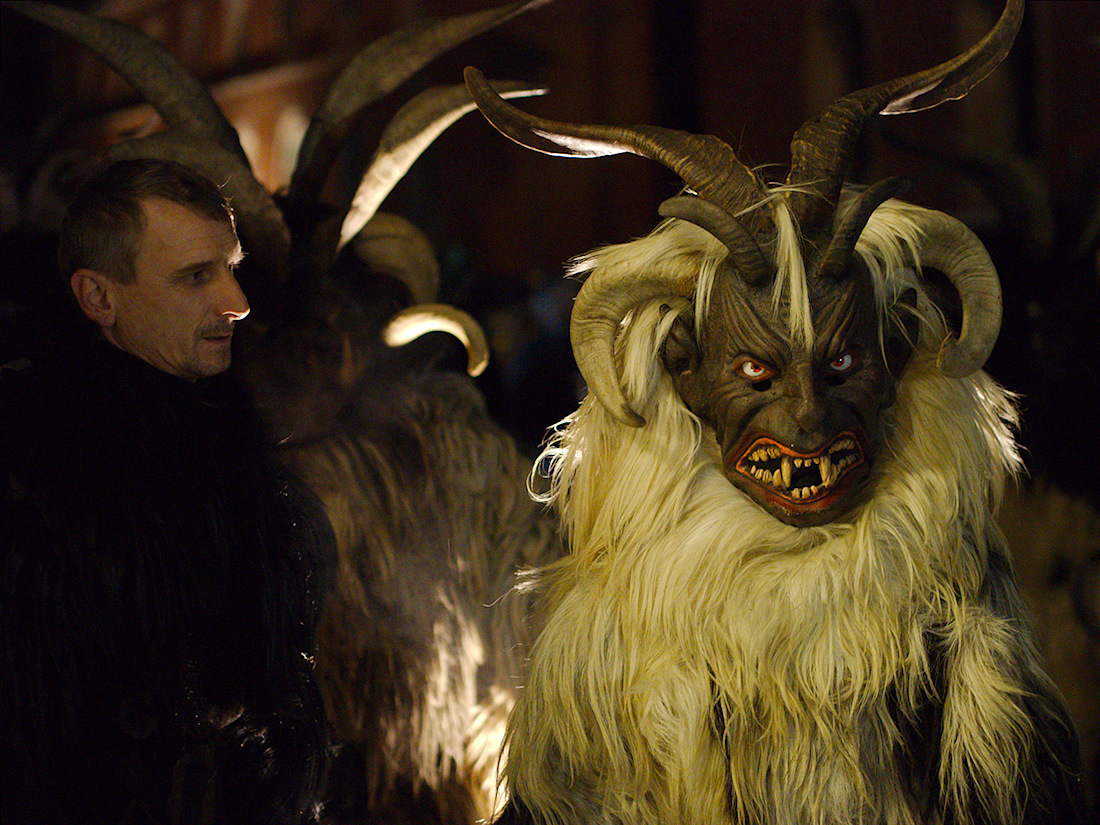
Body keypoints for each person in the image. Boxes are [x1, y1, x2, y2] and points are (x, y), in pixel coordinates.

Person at [1, 159, 333, 824]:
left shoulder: (240, 452)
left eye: (231, 267)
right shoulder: (39, 476)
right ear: (99, 298)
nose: (237, 301)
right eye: (196, 276)